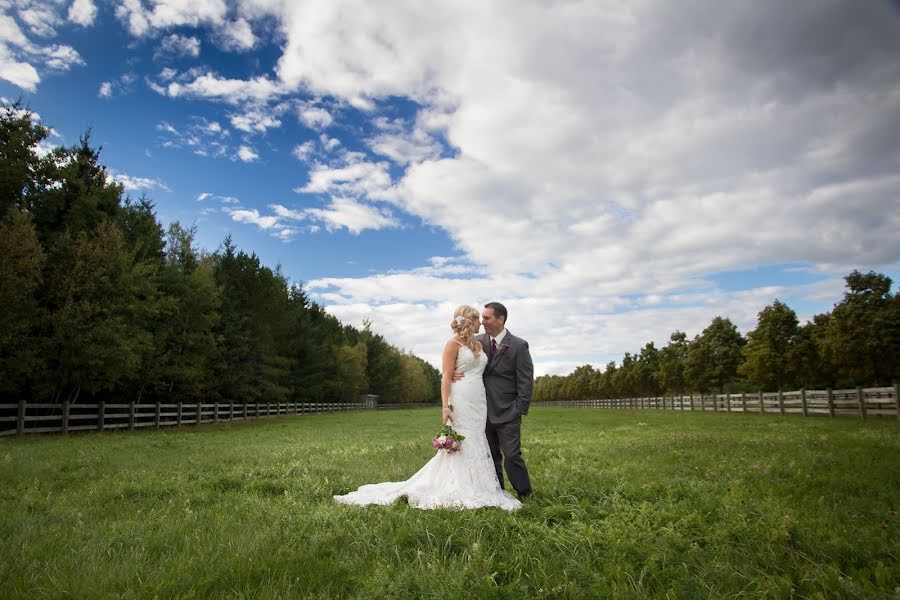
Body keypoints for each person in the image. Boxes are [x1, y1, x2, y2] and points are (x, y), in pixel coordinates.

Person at [333, 305, 521, 511]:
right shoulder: (452, 344)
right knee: (462, 439)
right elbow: (446, 377)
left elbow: (482, 370)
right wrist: (445, 407)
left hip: (478, 399)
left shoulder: (478, 344)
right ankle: (457, 485)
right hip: (460, 398)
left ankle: (480, 484)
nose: (482, 323)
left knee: (476, 438)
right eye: (479, 319)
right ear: (470, 321)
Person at [474, 302, 533, 499]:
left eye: (487, 318)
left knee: (512, 456)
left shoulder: (518, 345)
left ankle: (525, 493)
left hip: (508, 411)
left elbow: (525, 380)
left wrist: (519, 408)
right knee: (490, 456)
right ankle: (497, 493)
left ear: (501, 319)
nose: (482, 322)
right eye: (482, 318)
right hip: (483, 411)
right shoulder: (477, 342)